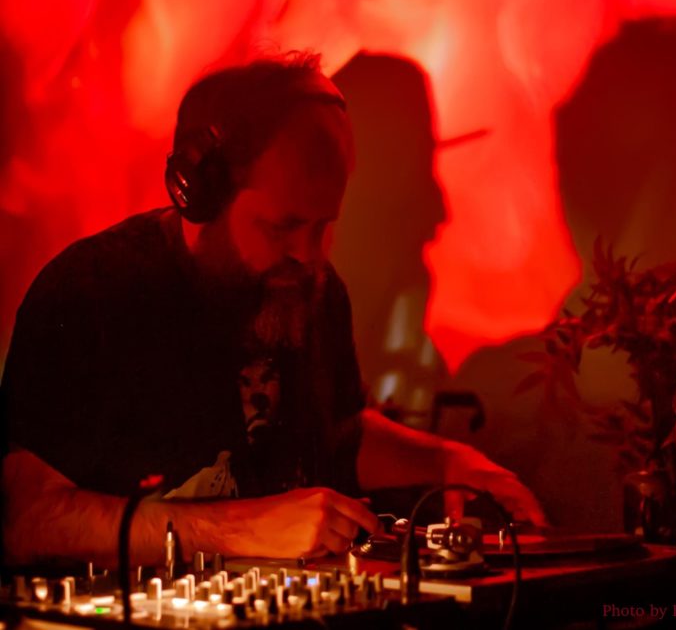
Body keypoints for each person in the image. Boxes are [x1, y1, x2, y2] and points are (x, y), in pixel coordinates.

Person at [1, 52, 546, 569]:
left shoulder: (315, 291)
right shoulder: (93, 294)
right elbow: (26, 519)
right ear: (199, 194)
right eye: (283, 226)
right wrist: (240, 529)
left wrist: (446, 462)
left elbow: (336, 432)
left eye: (324, 225)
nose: (308, 255)